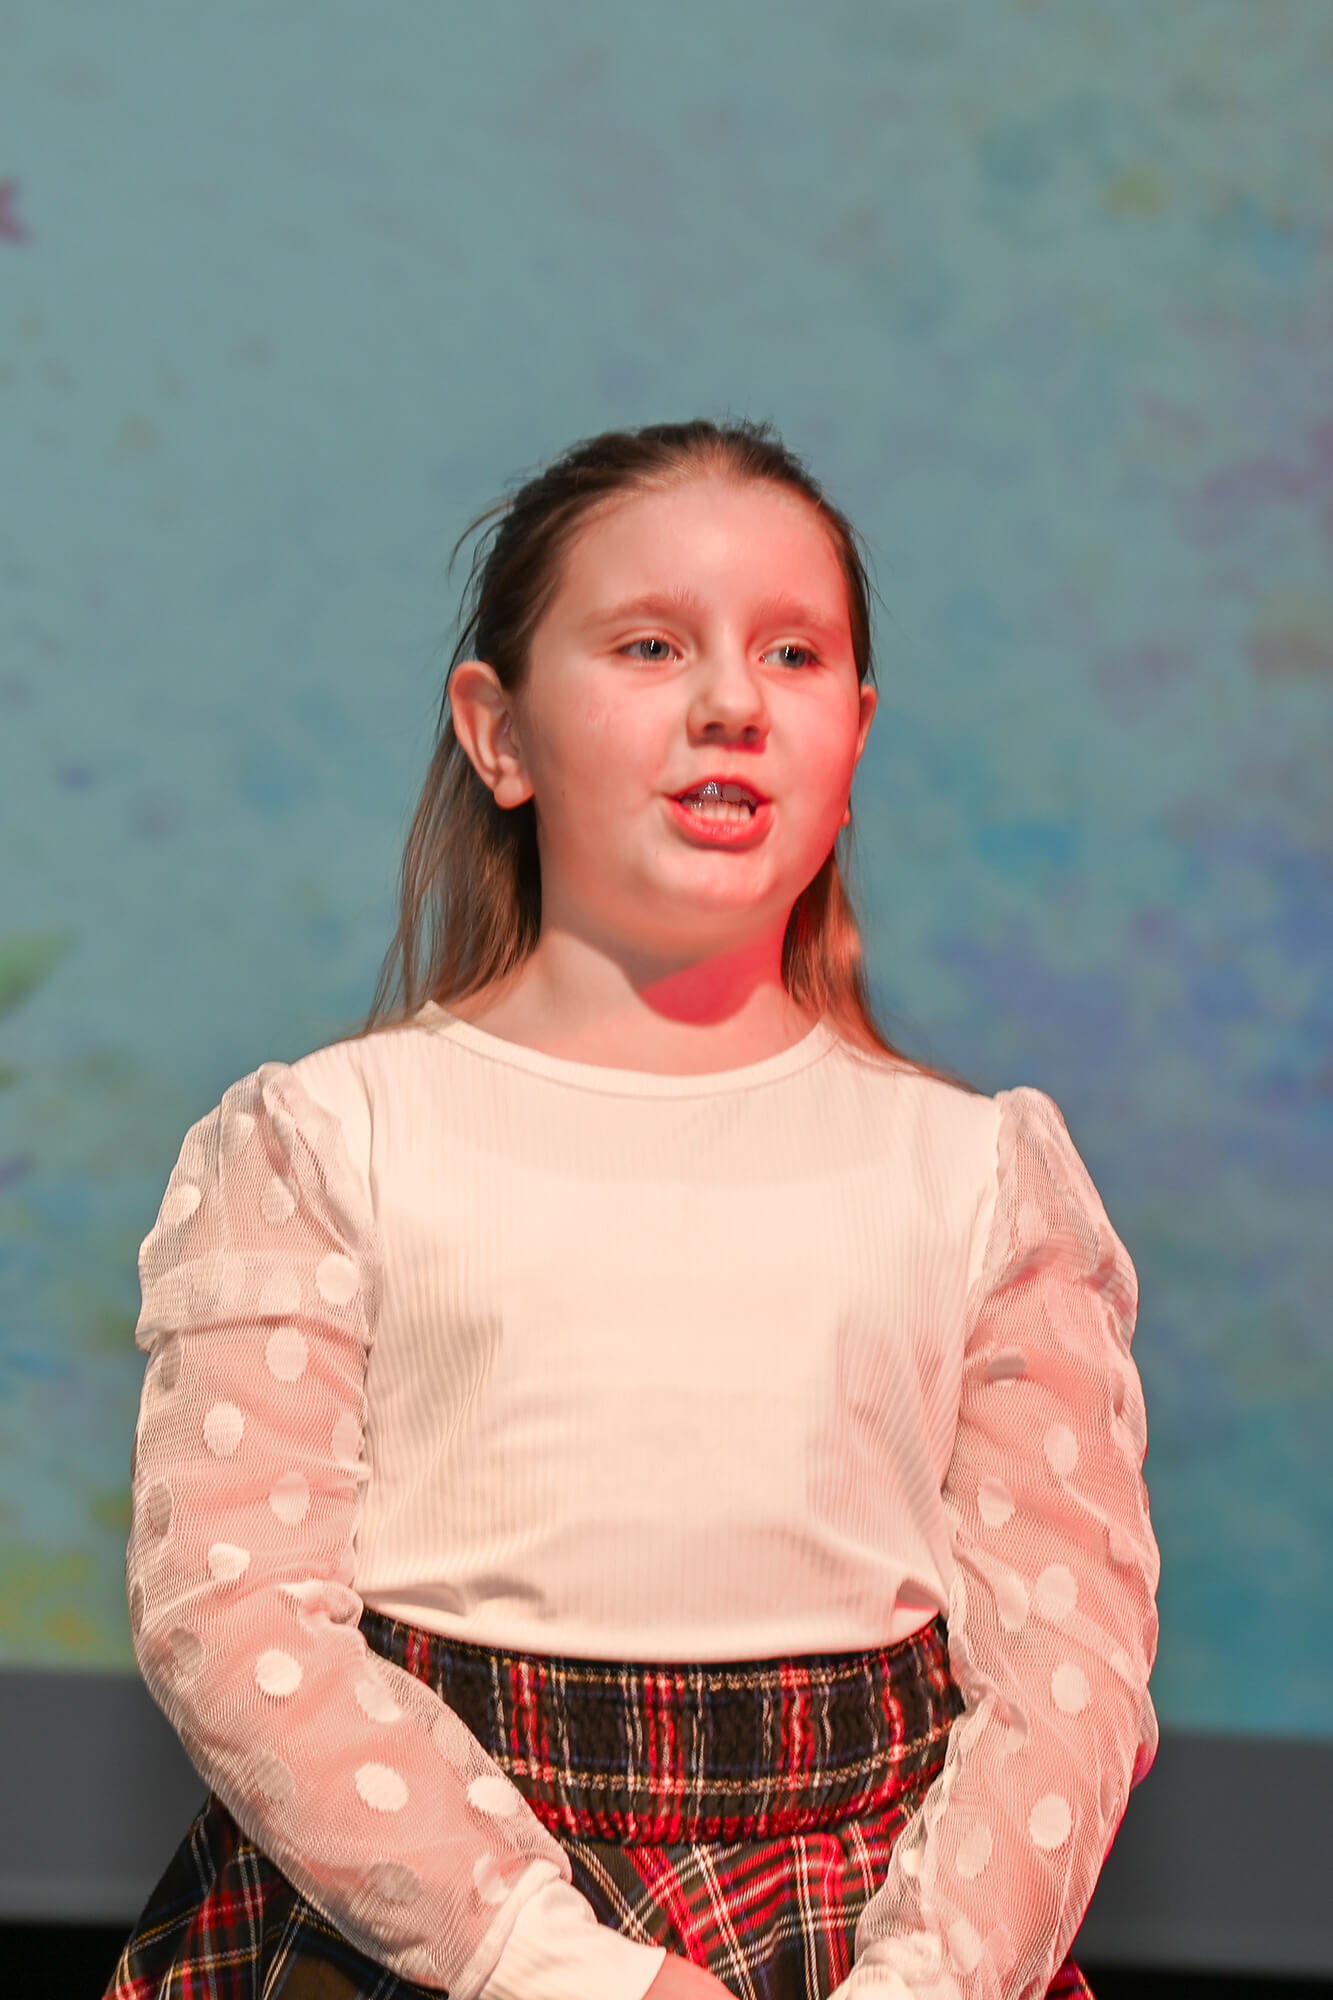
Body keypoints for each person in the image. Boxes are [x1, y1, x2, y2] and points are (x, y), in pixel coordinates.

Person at [107, 418, 1159, 2000]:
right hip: (431, 1928)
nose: (731, 701)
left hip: (855, 1935)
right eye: (651, 646)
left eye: (792, 653)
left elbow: (1065, 1665)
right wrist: (554, 1967)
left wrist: (929, 1976)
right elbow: (232, 1610)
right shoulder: (326, 1142)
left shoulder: (976, 1174)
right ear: (499, 733)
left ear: (855, 736)